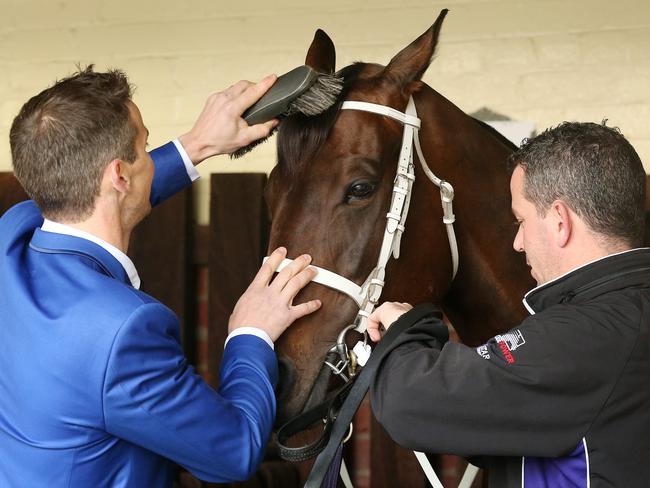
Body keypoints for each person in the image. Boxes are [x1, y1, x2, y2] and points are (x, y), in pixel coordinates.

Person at [0, 66, 321, 487]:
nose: (151, 158)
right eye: (145, 147)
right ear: (119, 174)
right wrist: (250, 334)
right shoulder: (122, 332)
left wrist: (198, 144)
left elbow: (102, 196)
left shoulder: (13, 235)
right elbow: (234, 453)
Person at [367, 122, 650, 487]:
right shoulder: (628, 315)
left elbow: (411, 401)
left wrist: (406, 331)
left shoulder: (587, 333)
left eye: (521, 221)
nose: (518, 242)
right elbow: (504, 417)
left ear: (560, 221)